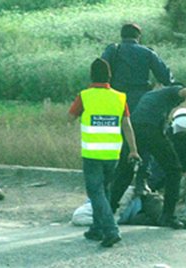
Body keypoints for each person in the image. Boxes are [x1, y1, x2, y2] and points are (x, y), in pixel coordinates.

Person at [109, 84, 186, 229]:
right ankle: (168, 216)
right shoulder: (172, 91)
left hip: (133, 129)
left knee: (124, 173)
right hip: (150, 129)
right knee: (174, 171)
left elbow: (147, 153)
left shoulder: (150, 96)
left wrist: (143, 175)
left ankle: (106, 214)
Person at [68, 58, 140, 248]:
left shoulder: (85, 96)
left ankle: (111, 230)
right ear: (110, 76)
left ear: (91, 75)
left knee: (96, 193)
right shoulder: (119, 97)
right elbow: (127, 126)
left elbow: (70, 117)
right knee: (105, 192)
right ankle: (97, 229)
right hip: (112, 154)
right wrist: (133, 150)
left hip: (92, 154)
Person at [102, 23, 174, 112]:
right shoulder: (148, 53)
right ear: (138, 37)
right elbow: (164, 76)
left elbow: (101, 70)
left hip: (116, 96)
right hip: (140, 100)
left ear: (121, 36)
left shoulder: (112, 50)